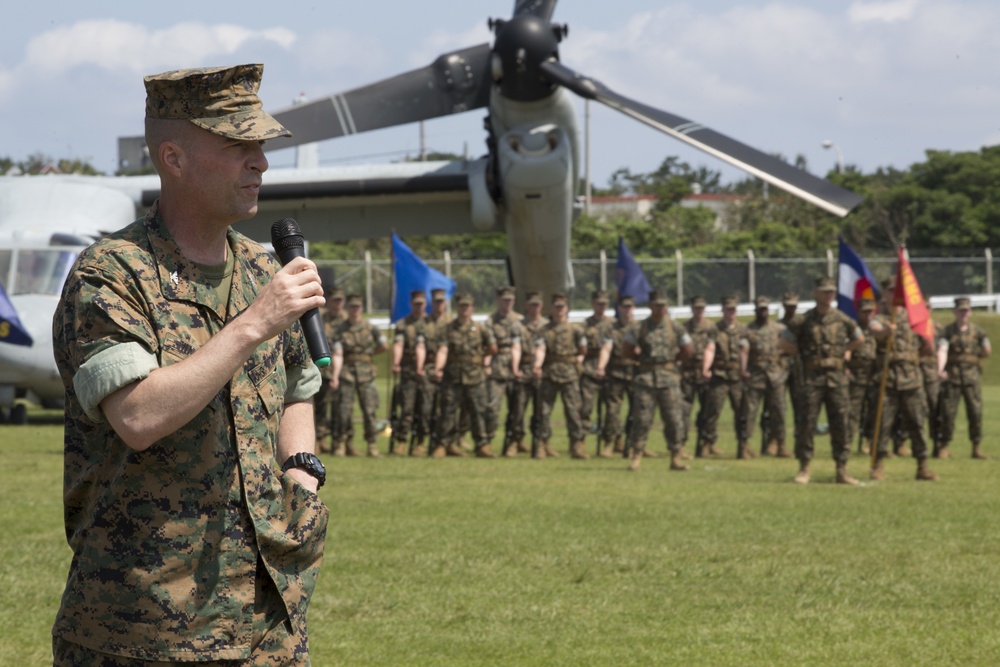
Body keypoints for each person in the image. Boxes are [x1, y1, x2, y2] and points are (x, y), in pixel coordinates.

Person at [51, 64, 330, 664]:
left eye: (261, 145)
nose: (260, 162)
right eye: (239, 145)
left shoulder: (262, 268)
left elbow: (298, 387)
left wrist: (302, 474)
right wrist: (253, 324)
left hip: (267, 616)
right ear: (173, 158)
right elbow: (139, 415)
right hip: (144, 624)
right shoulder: (113, 273)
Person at [780, 276, 864, 485]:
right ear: (815, 293)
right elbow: (784, 342)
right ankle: (804, 468)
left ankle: (842, 469)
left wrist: (842, 352)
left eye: (831, 292)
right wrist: (801, 354)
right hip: (812, 379)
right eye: (825, 291)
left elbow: (859, 338)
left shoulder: (843, 319)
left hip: (836, 379)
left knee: (841, 424)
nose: (829, 295)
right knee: (807, 423)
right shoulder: (804, 320)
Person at [867, 284, 939, 481]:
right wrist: (885, 332)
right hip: (887, 378)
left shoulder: (914, 318)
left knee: (917, 422)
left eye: (896, 289)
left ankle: (922, 465)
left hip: (911, 377)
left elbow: (928, 346)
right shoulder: (880, 318)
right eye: (890, 290)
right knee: (882, 423)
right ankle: (878, 465)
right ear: (884, 294)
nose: (894, 293)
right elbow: (874, 330)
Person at [623, 291, 694, 471]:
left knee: (673, 419)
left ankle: (676, 456)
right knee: (642, 419)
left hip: (669, 379)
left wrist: (675, 360)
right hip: (646, 379)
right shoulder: (639, 327)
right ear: (650, 306)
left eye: (663, 305)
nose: (660, 308)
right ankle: (637, 455)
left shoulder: (676, 328)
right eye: (657, 305)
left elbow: (689, 350)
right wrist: (640, 361)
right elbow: (626, 349)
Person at [434, 292, 497, 457]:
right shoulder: (448, 329)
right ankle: (444, 444)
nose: (465, 309)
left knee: (478, 411)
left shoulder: (480, 328)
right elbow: (443, 349)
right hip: (453, 376)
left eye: (467, 306)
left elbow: (493, 347)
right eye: (462, 306)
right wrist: (439, 368)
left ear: (472, 308)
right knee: (448, 411)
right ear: (457, 307)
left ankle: (482, 445)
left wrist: (483, 360)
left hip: (475, 376)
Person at [330, 294, 389, 457]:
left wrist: (370, 354)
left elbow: (384, 345)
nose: (354, 310)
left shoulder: (370, 328)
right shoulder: (340, 329)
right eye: (352, 307)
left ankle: (372, 445)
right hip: (347, 372)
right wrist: (335, 375)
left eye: (357, 307)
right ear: (348, 309)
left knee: (370, 410)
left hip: (366, 373)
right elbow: (337, 351)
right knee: (344, 410)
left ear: (361, 309)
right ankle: (341, 444)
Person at [533, 292, 589, 459]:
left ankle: (576, 444)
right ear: (552, 308)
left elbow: (582, 350)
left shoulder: (576, 330)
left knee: (573, 411)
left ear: (567, 308)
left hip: (570, 373)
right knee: (544, 411)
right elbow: (541, 349)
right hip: (550, 373)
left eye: (562, 306)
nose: (559, 310)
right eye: (556, 306)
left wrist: (577, 362)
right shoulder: (544, 330)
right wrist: (537, 365)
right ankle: (542, 444)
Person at [937, 296, 991, 459]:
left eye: (966, 310)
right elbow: (942, 350)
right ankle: (944, 446)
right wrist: (940, 369)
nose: (963, 313)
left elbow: (987, 349)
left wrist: (976, 357)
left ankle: (976, 447)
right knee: (948, 412)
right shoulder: (947, 331)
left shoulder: (978, 331)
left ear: (970, 312)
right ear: (955, 311)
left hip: (971, 378)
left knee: (975, 412)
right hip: (952, 377)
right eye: (960, 310)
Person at [740, 296, 790, 458]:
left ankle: (780, 444)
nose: (763, 312)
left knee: (779, 411)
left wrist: (781, 357)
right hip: (755, 375)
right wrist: (744, 369)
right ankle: (744, 445)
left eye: (765, 309)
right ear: (756, 310)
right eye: (760, 309)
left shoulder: (778, 328)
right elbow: (744, 350)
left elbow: (789, 345)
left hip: (775, 375)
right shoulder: (748, 330)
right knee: (749, 412)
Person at [700, 295, 748, 458]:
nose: (731, 312)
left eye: (733, 309)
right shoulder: (715, 329)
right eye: (728, 309)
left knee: (742, 412)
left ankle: (743, 445)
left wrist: (745, 371)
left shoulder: (742, 329)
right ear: (723, 310)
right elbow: (710, 348)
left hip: (736, 377)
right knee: (713, 411)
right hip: (720, 375)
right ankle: (707, 443)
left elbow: (746, 352)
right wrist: (706, 367)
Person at [596, 294, 639, 457]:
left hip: (635, 373)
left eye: (629, 306)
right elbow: (606, 348)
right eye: (624, 307)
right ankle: (610, 442)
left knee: (637, 411)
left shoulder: (640, 327)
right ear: (618, 308)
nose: (627, 310)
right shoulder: (611, 329)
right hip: (616, 373)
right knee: (613, 410)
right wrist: (601, 366)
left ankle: (635, 443)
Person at [507, 291, 548, 455]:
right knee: (519, 409)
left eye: (537, 304)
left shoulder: (547, 325)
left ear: (542, 306)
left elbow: (544, 349)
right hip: (524, 370)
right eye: (532, 304)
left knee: (541, 411)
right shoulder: (518, 326)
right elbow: (516, 347)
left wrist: (540, 366)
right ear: (526, 306)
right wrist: (515, 367)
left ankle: (541, 443)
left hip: (541, 372)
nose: (535, 307)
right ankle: (516, 441)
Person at [485, 286, 524, 456]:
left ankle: (514, 442)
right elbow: (487, 346)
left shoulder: (521, 321)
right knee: (493, 407)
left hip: (518, 368)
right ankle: (487, 441)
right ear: (498, 301)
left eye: (510, 300)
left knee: (517, 409)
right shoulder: (490, 321)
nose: (507, 303)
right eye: (504, 300)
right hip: (497, 368)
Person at [391, 289, 428, 455]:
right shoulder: (403, 324)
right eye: (416, 304)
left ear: (425, 304)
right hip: (408, 371)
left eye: (421, 303)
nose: (418, 306)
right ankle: (402, 441)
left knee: (425, 409)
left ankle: (421, 442)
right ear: (411, 304)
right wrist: (396, 363)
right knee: (406, 408)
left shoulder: (432, 323)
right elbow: (398, 344)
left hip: (428, 372)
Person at [580, 289, 615, 448]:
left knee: (612, 407)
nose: (601, 307)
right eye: (598, 304)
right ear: (593, 304)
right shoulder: (585, 325)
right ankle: (581, 439)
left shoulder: (613, 324)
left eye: (604, 304)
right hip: (589, 367)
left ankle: (612, 439)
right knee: (586, 406)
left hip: (611, 368)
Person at [680, 295, 712, 459]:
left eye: (701, 308)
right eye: (696, 308)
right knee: (684, 411)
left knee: (706, 411)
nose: (699, 311)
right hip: (687, 374)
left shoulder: (711, 327)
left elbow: (714, 349)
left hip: (704, 374)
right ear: (691, 309)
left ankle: (705, 444)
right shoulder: (683, 328)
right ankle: (682, 445)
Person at [315, 284, 346, 454]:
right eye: (335, 300)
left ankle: (341, 442)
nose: (338, 304)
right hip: (325, 370)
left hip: (346, 371)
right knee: (321, 406)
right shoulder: (321, 319)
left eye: (340, 301)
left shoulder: (348, 320)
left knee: (341, 408)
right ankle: (319, 440)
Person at [846, 298, 878, 455]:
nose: (868, 314)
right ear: (858, 312)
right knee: (853, 411)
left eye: (870, 311)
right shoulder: (853, 329)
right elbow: (847, 350)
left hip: (873, 375)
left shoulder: (876, 329)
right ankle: (848, 442)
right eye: (864, 311)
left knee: (873, 411)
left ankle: (868, 441)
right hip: (856, 375)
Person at [424, 288, 453, 457]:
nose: (439, 304)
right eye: (436, 301)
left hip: (451, 373)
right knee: (428, 409)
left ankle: (449, 442)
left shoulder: (452, 323)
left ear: (446, 303)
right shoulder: (425, 323)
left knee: (448, 410)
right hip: (429, 372)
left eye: (442, 301)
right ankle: (427, 441)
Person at [780, 291, 806, 451]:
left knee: (800, 406)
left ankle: (799, 440)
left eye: (793, 306)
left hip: (798, 370)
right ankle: (777, 441)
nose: (791, 309)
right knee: (778, 406)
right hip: (780, 370)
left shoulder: (802, 324)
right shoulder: (777, 325)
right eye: (788, 306)